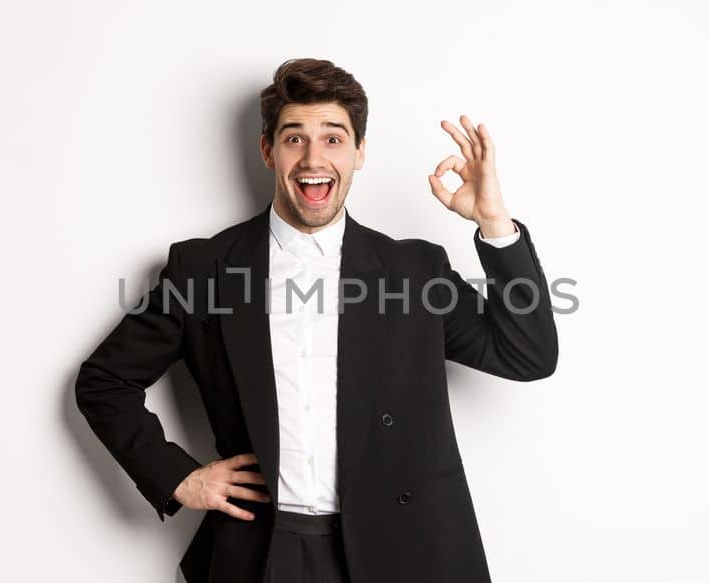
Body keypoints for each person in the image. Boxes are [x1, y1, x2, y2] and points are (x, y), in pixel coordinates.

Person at [74, 57, 558, 583]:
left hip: (404, 553)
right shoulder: (204, 269)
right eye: (293, 137)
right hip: (262, 555)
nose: (313, 157)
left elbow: (526, 354)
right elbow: (105, 381)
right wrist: (179, 478)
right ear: (268, 150)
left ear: (359, 152)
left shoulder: (415, 270)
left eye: (333, 138)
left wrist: (494, 222)